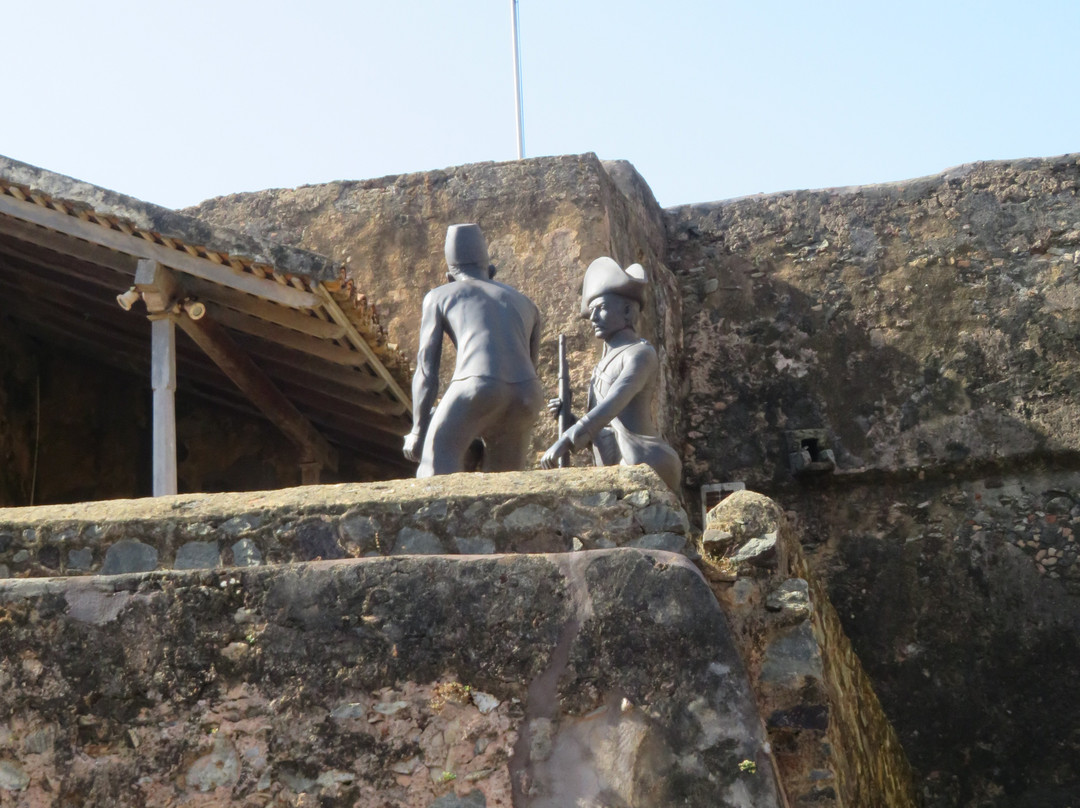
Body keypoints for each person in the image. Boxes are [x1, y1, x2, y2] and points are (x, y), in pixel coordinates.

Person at [403, 223, 543, 476]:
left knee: (434, 465)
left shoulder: (440, 296)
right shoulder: (527, 304)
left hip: (476, 385)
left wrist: (417, 430)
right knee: (505, 483)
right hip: (527, 393)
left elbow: (426, 372)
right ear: (490, 272)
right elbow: (531, 366)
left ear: (449, 277)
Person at [540, 257, 681, 490]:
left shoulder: (640, 354)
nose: (593, 318)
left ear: (627, 311)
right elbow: (605, 430)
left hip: (643, 460)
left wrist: (566, 440)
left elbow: (613, 405)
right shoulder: (601, 366)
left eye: (601, 309)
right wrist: (568, 419)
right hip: (612, 463)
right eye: (592, 311)